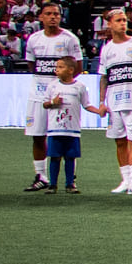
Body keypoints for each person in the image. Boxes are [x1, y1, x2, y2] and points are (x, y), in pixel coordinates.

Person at [22, 2, 83, 192]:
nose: (53, 17)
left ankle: (70, 178)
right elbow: (32, 65)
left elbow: (77, 66)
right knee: (37, 135)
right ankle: (41, 176)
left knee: (65, 137)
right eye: (48, 14)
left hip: (63, 97)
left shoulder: (69, 39)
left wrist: (62, 86)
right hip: (39, 94)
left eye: (56, 14)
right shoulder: (34, 39)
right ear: (41, 17)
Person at [96, 8, 132, 195]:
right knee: (119, 141)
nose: (123, 23)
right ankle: (125, 180)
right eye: (119, 20)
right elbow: (104, 77)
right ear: (109, 24)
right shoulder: (107, 49)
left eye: (124, 20)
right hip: (114, 102)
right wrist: (101, 101)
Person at [39, 56, 96, 192]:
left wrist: (99, 111)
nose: (57, 70)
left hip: (72, 129)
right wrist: (53, 102)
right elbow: (45, 104)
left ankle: (70, 184)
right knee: (54, 156)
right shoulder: (53, 85)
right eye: (57, 67)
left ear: (71, 70)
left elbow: (86, 105)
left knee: (71, 157)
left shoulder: (80, 87)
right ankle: (53, 185)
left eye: (60, 67)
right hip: (55, 128)